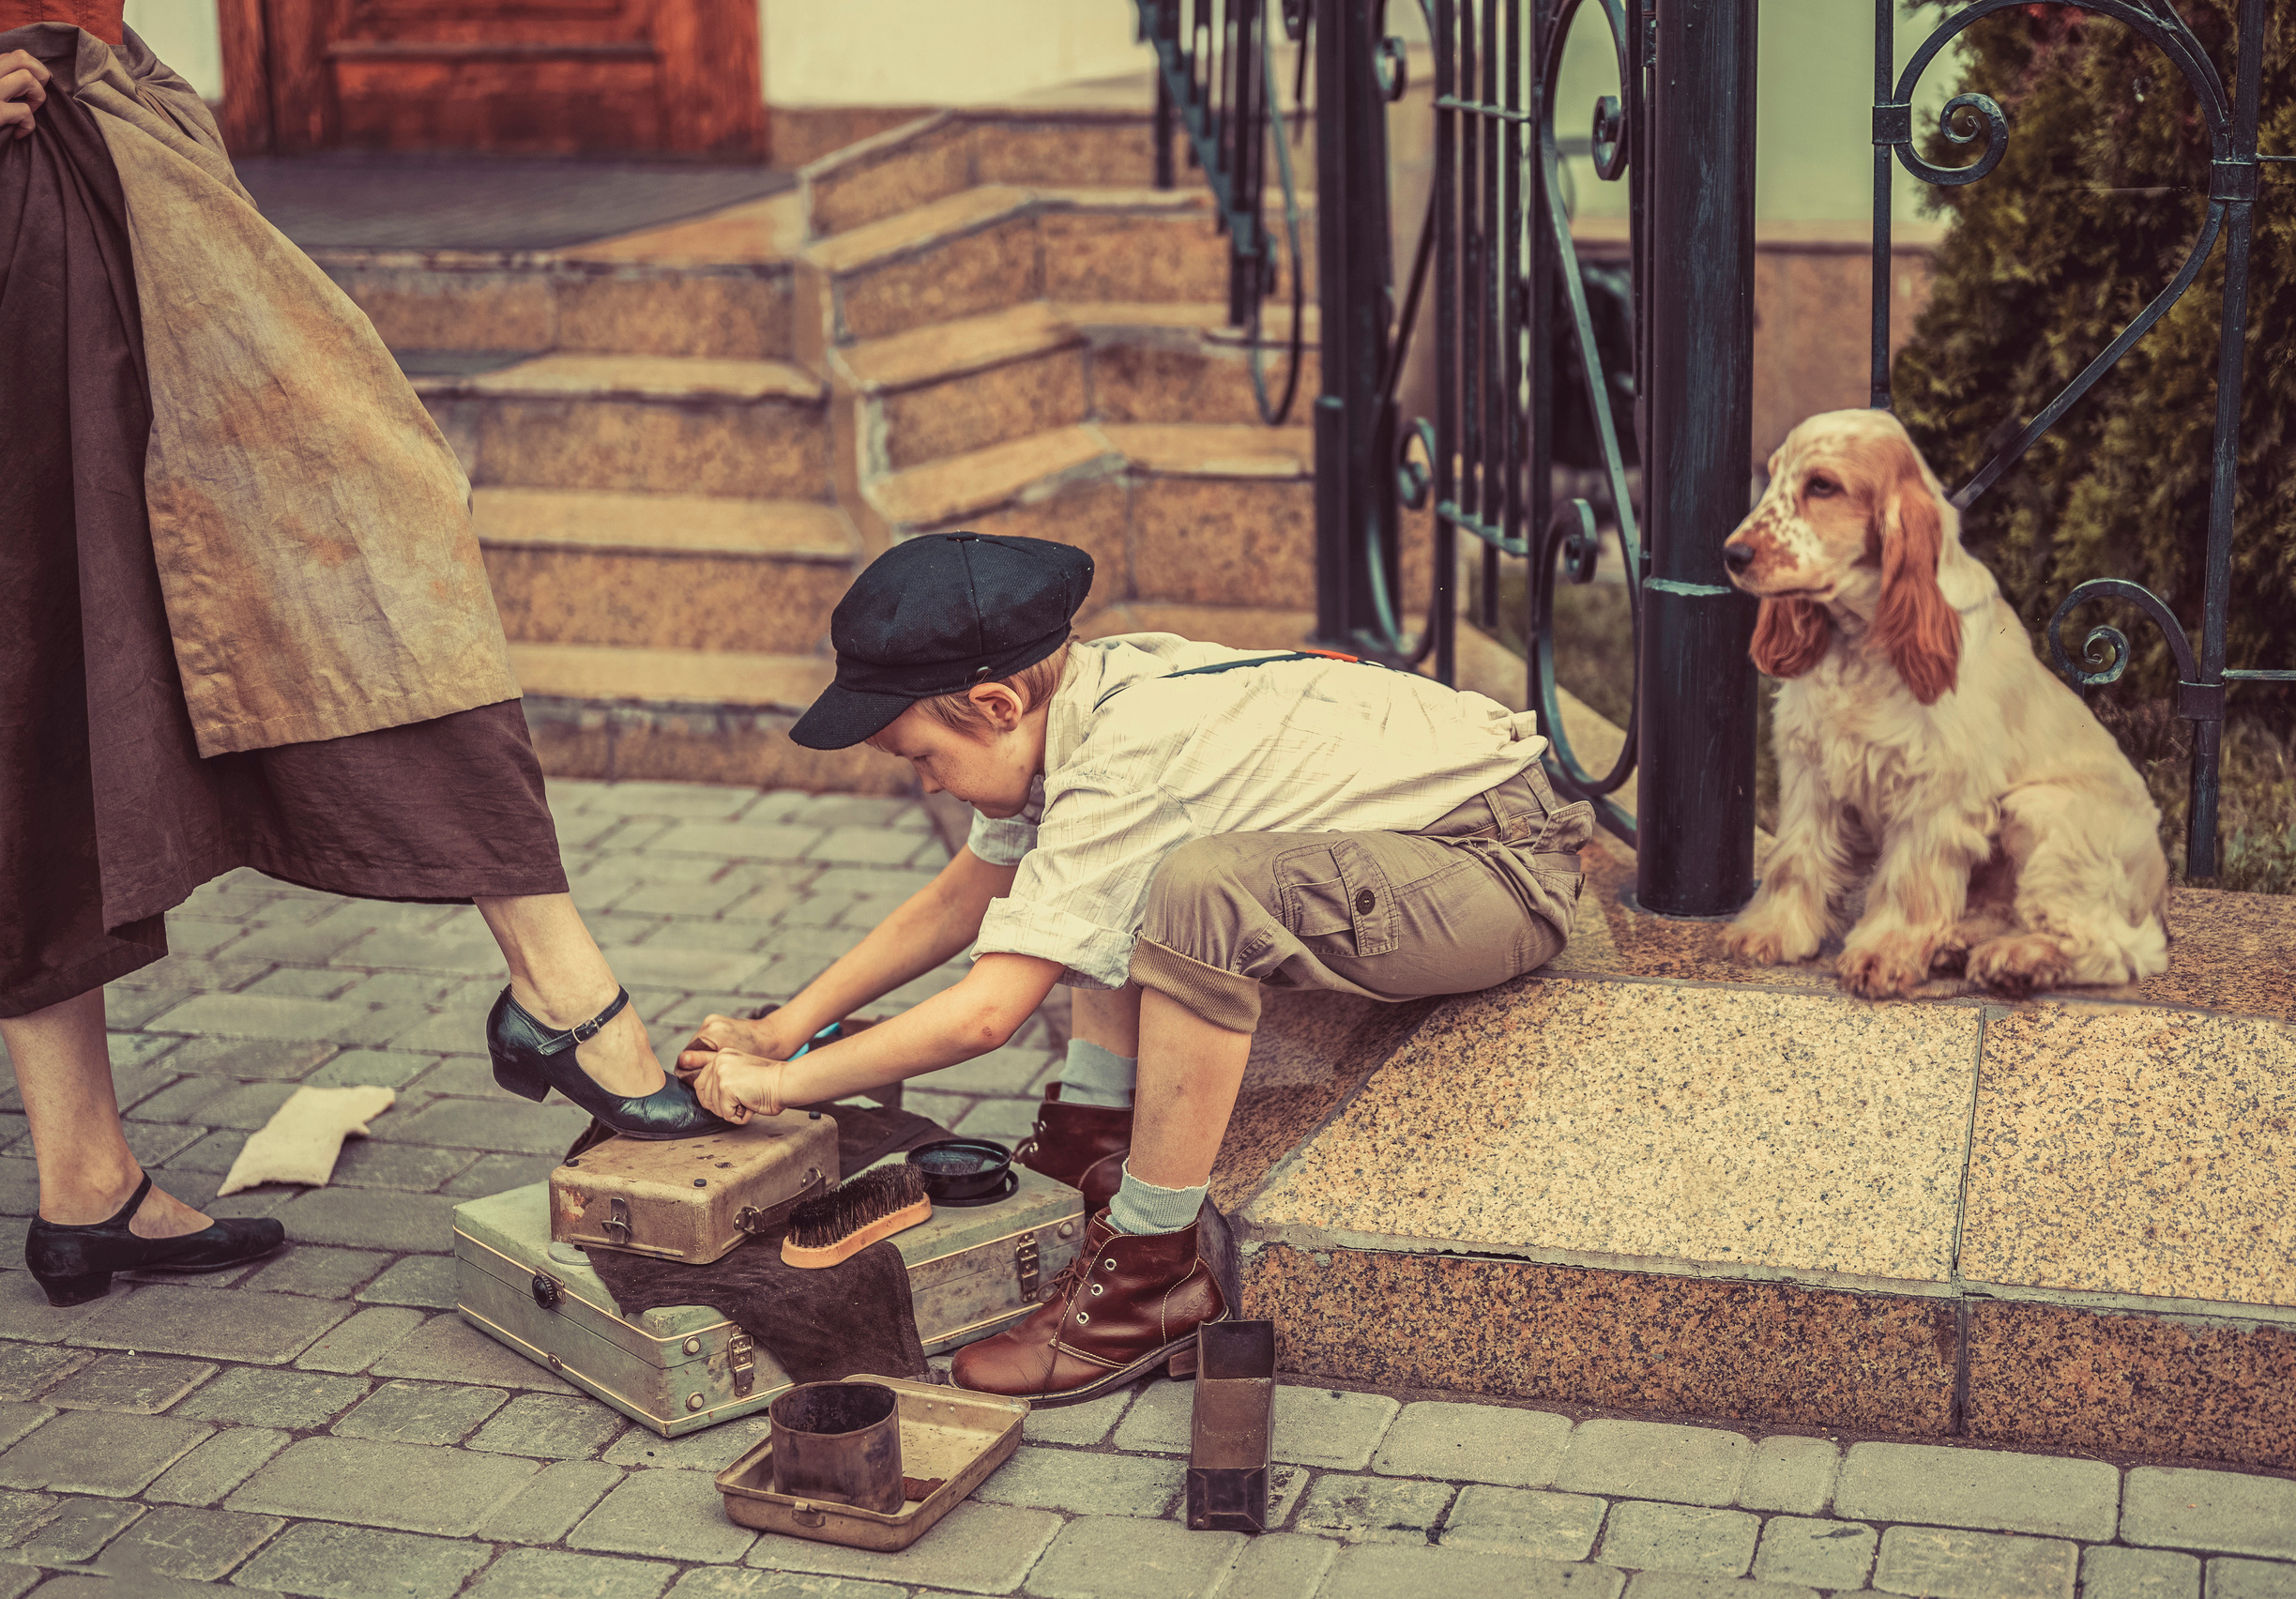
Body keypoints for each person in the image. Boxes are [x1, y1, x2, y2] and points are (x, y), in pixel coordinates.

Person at [1, 15, 720, 1310]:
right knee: (87, 640)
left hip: (102, 128)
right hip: (29, 183)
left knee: (65, 645)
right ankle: (567, 994)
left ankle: (86, 1182)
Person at [676, 533, 1592, 1406]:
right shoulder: (1072, 710)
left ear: (996, 706)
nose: (926, 784)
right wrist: (782, 1024)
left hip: (1497, 866)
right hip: (1420, 846)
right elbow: (965, 900)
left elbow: (985, 1016)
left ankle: (1153, 1271)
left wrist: (781, 1083)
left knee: (1198, 887)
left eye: (923, 758)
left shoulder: (1125, 759)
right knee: (1092, 879)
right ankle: (1091, 1134)